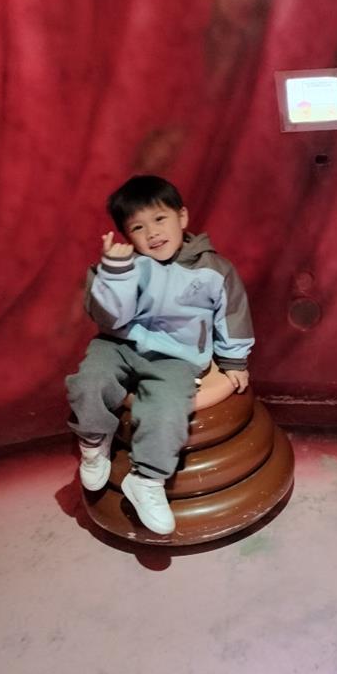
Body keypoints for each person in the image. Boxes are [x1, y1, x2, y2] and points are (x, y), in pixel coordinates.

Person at [66, 175, 254, 534]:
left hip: (177, 357)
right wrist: (114, 274)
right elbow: (109, 319)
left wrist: (234, 360)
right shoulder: (123, 266)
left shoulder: (214, 269)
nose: (152, 232)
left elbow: (232, 314)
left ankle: (147, 480)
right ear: (127, 235)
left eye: (159, 219)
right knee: (88, 381)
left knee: (167, 407)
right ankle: (93, 441)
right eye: (138, 227)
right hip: (119, 344)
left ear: (182, 217)